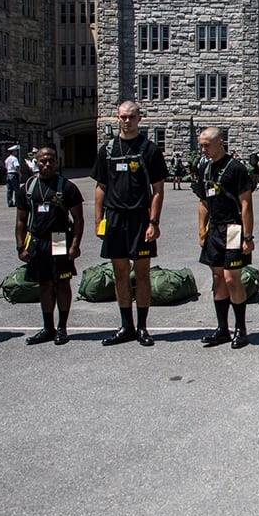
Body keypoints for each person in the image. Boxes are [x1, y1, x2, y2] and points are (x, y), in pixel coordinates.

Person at [93, 101, 168, 347]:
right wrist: (98, 221)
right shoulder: (107, 150)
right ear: (117, 118)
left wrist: (153, 221)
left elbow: (157, 189)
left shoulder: (150, 150)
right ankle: (126, 326)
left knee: (143, 273)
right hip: (114, 218)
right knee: (120, 273)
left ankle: (143, 327)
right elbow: (100, 188)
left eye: (131, 117)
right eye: (123, 117)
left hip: (139, 217)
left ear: (139, 118)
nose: (127, 121)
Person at [15, 146, 84, 345]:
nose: (46, 164)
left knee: (62, 282)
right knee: (44, 284)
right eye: (42, 161)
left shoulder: (67, 187)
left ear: (56, 162)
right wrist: (21, 246)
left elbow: (78, 219)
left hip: (59, 238)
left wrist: (75, 245)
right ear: (35, 162)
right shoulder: (27, 188)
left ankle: (62, 327)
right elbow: (20, 220)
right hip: (37, 240)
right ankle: (48, 328)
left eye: (50, 161)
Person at [194, 127, 256, 348]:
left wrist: (247, 236)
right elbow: (203, 202)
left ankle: (241, 328)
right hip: (214, 229)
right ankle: (222, 328)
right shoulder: (205, 168)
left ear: (221, 142)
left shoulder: (236, 168)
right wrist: (202, 230)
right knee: (218, 278)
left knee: (232, 278)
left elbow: (246, 204)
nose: (203, 149)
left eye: (207, 145)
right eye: (201, 145)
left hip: (233, 229)